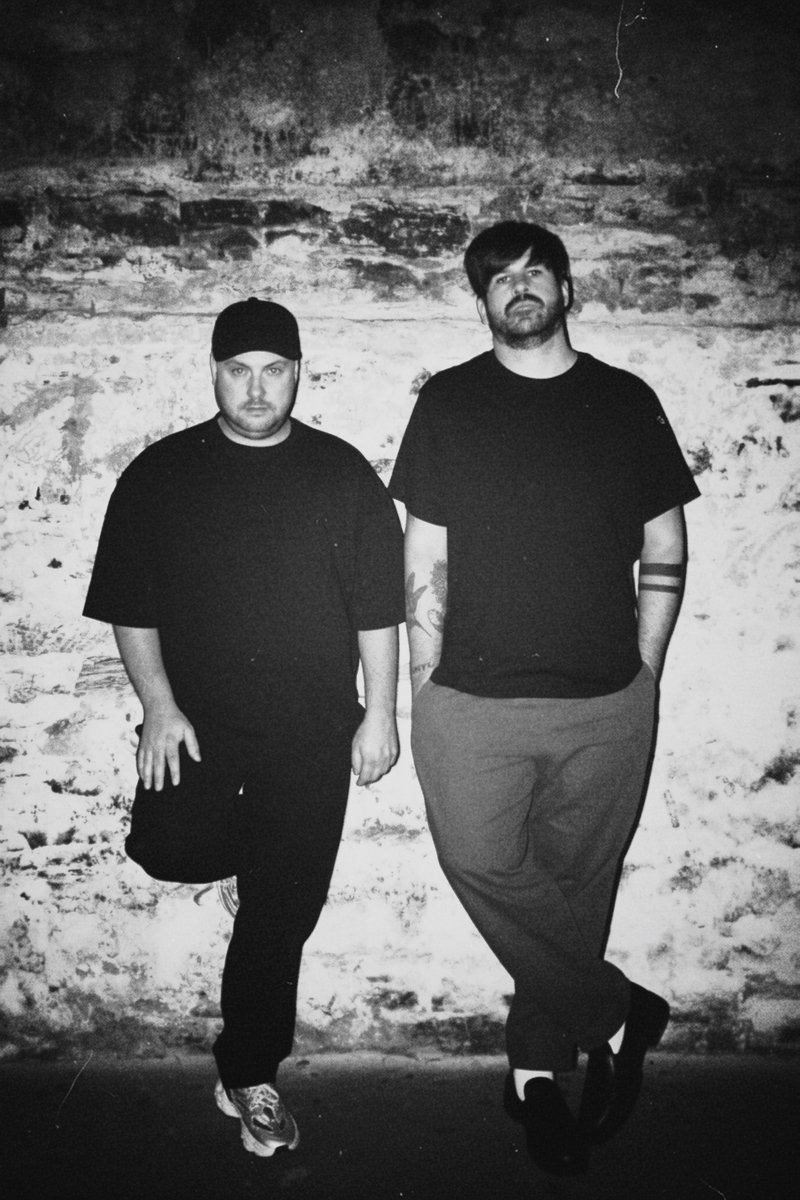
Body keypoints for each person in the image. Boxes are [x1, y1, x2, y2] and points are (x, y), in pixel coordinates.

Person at [389, 222, 700, 1175]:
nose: (519, 287)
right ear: (480, 300)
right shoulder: (450, 401)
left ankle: (535, 1079)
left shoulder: (625, 400)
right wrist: (423, 685)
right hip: (471, 699)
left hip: (607, 701)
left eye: (536, 272)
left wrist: (646, 672)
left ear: (567, 289)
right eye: (499, 278)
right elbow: (425, 553)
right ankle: (617, 1012)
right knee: (481, 861)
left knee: (574, 895)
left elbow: (665, 544)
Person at [84, 298, 404, 1158]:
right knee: (166, 848)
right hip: (201, 726)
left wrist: (380, 713)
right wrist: (158, 706)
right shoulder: (161, 474)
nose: (257, 389)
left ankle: (250, 1073)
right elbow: (130, 605)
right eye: (238, 370)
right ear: (214, 372)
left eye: (274, 370)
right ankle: (245, 858)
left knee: (282, 913)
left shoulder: (342, 475)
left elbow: (378, 610)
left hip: (311, 732)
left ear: (299, 373)